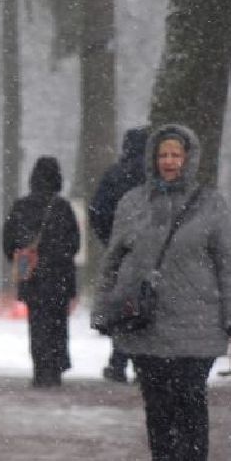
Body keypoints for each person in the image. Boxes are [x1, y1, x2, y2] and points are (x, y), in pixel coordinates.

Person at [97, 124, 231, 461]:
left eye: (175, 156)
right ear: (153, 158)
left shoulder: (210, 203)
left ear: (188, 159)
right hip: (146, 323)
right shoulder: (132, 204)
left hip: (197, 322)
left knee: (191, 400)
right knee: (157, 403)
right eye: (163, 155)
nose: (169, 162)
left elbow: (228, 263)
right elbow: (112, 261)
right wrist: (105, 310)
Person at [1, 155, 81, 388]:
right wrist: (57, 258)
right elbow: (74, 244)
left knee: (37, 325)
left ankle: (40, 369)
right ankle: (55, 369)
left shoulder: (21, 206)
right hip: (59, 279)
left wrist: (24, 260)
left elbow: (9, 242)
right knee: (57, 324)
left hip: (33, 278)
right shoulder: (63, 207)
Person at [88, 127, 150, 382]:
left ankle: (118, 360)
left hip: (121, 251)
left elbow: (97, 211)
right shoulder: (152, 176)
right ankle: (144, 363)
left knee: (123, 305)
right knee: (147, 305)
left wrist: (111, 240)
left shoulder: (114, 175)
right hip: (151, 252)